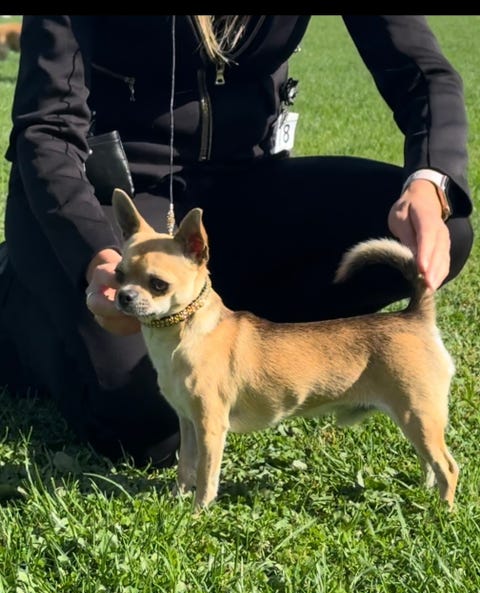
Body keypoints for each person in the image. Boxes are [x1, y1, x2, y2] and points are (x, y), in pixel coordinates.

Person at [0, 15, 474, 467]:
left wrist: (430, 180)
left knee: (440, 233)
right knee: (152, 420)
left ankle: (246, 338)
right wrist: (99, 257)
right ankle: (20, 304)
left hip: (246, 182)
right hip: (111, 194)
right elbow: (48, 128)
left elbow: (420, 71)